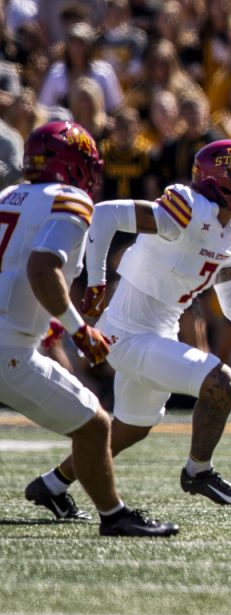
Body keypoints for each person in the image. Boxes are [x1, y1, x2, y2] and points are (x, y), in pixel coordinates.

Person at [25, 139, 231, 510]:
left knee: (132, 427)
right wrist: (96, 280)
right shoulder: (188, 207)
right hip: (125, 333)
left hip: (160, 331)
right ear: (225, 184)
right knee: (221, 383)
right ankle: (198, 471)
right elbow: (104, 215)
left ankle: (52, 484)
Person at [6, 121, 176, 536]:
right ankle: (114, 516)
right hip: (9, 347)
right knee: (96, 425)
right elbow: (42, 266)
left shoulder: (7, 196)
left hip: (10, 337)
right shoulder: (70, 200)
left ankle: (63, 494)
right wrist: (78, 330)